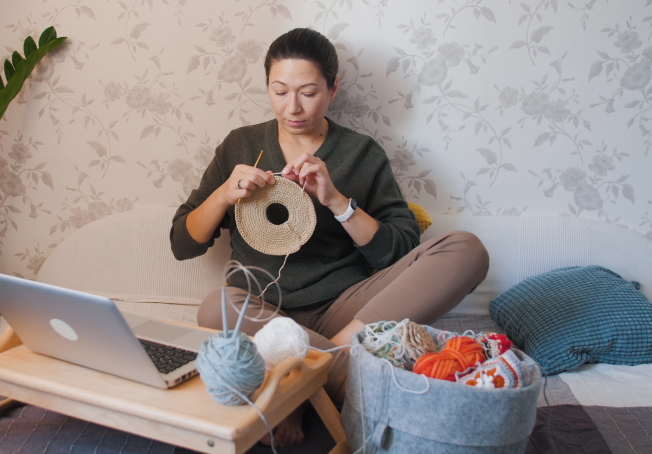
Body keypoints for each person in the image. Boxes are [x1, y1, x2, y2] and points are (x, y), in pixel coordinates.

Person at [169, 28, 489, 448]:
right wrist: (223, 194)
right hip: (261, 311)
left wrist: (338, 201)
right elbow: (182, 242)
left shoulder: (360, 152)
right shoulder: (241, 145)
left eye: (308, 92)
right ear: (267, 85)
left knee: (467, 249)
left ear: (333, 89)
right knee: (215, 307)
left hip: (347, 312)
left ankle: (306, 377)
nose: (293, 107)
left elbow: (400, 249)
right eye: (280, 91)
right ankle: (340, 372)